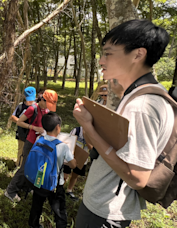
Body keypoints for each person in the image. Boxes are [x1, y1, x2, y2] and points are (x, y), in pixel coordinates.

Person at [73, 19, 173, 227]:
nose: (101, 61)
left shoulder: (143, 106)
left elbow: (138, 178)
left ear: (138, 54)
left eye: (108, 54)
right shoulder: (148, 93)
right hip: (106, 205)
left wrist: (88, 126)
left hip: (105, 210)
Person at [5, 89, 58, 202]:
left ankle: (26, 187)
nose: (48, 107)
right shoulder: (32, 108)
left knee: (36, 168)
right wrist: (33, 128)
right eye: (48, 103)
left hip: (41, 143)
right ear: (42, 100)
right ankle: (10, 190)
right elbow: (19, 122)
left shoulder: (46, 110)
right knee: (25, 168)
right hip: (30, 142)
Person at [28, 113, 76, 228]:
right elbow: (73, 165)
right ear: (58, 127)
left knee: (36, 206)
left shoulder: (39, 139)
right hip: (55, 184)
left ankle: (33, 225)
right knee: (59, 211)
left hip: (39, 180)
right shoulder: (62, 146)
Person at [9, 86, 36, 166]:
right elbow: (12, 117)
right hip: (22, 134)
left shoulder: (37, 107)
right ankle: (19, 165)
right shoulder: (21, 106)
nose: (30, 101)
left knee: (31, 152)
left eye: (32, 99)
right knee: (21, 151)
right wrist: (21, 123)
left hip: (33, 135)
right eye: (28, 98)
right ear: (24, 97)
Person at [63, 126, 91, 201]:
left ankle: (69, 190)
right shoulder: (77, 130)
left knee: (75, 175)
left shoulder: (93, 134)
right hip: (70, 156)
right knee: (65, 174)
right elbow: (69, 141)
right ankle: (60, 189)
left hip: (82, 158)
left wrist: (87, 136)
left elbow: (91, 148)